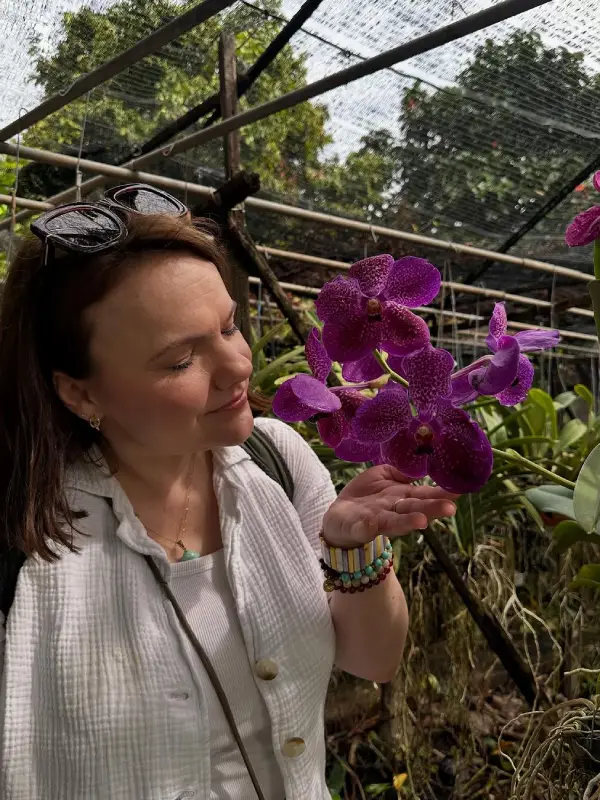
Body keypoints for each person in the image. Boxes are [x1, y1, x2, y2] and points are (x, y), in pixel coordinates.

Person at [0, 185, 457, 800]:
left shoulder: (278, 461)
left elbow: (375, 660)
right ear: (80, 393)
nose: (239, 365)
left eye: (229, 326)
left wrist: (353, 550)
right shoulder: (22, 536)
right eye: (180, 360)